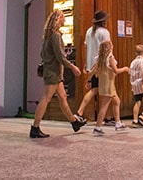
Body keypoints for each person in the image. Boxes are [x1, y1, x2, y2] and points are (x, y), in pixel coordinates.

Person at [30, 10, 87, 138]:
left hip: (52, 72)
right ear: (58, 20)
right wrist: (73, 67)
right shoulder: (55, 36)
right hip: (53, 73)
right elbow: (60, 57)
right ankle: (35, 127)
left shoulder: (47, 36)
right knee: (46, 98)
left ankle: (74, 122)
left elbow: (43, 54)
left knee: (62, 98)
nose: (64, 20)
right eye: (63, 18)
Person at [76, 10, 111, 122]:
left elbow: (85, 48)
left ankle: (80, 112)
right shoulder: (104, 32)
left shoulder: (89, 31)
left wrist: (86, 63)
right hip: (103, 65)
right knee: (109, 91)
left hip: (92, 65)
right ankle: (109, 117)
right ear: (103, 21)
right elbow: (107, 48)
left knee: (94, 89)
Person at [89, 40, 129, 135]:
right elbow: (116, 70)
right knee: (104, 106)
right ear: (109, 47)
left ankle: (118, 123)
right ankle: (97, 127)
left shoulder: (99, 58)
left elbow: (93, 70)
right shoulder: (110, 57)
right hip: (109, 84)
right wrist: (125, 69)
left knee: (116, 102)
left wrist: (89, 79)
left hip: (103, 83)